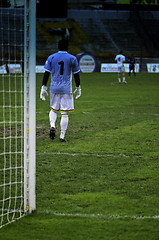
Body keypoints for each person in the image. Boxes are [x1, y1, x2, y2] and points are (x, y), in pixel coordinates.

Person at [40, 38, 81, 142]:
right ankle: (62, 136)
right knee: (64, 113)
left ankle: (52, 125)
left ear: (58, 46)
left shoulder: (51, 57)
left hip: (54, 87)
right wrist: (78, 87)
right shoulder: (72, 58)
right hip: (66, 89)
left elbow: (46, 73)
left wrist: (43, 86)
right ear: (68, 47)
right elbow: (76, 74)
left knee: (53, 109)